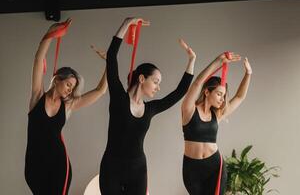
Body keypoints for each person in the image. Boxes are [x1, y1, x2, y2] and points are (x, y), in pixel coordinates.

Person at [99, 17, 196, 195]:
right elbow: (111, 57)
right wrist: (127, 24)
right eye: (156, 82)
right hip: (111, 169)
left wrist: (191, 61)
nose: (158, 87)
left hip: (137, 171)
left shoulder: (151, 108)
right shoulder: (119, 98)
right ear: (142, 78)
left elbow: (179, 92)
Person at [25, 19, 108, 195]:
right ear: (57, 80)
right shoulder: (37, 97)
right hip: (34, 166)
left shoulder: (68, 106)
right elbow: (39, 59)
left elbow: (100, 91)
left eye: (73, 87)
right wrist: (50, 34)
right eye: (69, 84)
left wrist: (110, 64)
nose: (71, 90)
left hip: (59, 165)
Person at [181, 51, 252, 195]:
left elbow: (239, 97)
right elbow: (197, 83)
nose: (222, 99)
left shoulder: (217, 115)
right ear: (207, 92)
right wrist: (218, 61)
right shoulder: (189, 109)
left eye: (224, 95)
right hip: (191, 169)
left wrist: (248, 74)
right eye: (219, 94)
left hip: (214, 167)